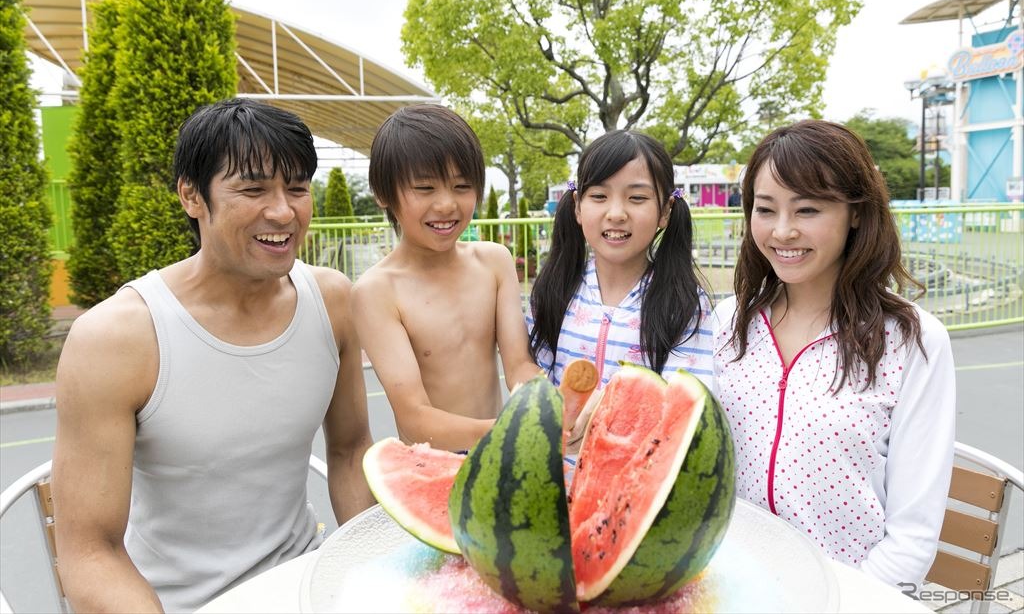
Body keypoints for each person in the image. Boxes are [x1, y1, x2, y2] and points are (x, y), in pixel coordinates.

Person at [53, 99, 375, 613]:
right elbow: (89, 552)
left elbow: (351, 450)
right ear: (191, 196)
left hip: (305, 586)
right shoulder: (116, 338)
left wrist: (370, 578)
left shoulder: (332, 301)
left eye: (296, 187)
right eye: (252, 189)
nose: (283, 211)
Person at [713, 119, 955, 587]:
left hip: (849, 593)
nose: (782, 231)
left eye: (807, 210)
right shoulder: (726, 324)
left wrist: (842, 600)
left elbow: (912, 537)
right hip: (730, 585)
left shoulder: (914, 341)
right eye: (765, 209)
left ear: (857, 213)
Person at [351, 104, 540, 452]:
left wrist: (552, 404)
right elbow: (414, 417)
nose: (446, 205)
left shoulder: (495, 262)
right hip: (434, 463)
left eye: (461, 186)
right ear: (383, 194)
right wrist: (510, 431)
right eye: (424, 188)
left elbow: (518, 366)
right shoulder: (376, 291)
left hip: (499, 451)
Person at [527, 129, 714, 450]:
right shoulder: (553, 290)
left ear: (666, 211)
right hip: (554, 478)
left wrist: (609, 413)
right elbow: (533, 377)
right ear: (577, 206)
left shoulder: (684, 304)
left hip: (636, 480)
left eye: (637, 198)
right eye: (599, 196)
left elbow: (682, 410)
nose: (616, 213)